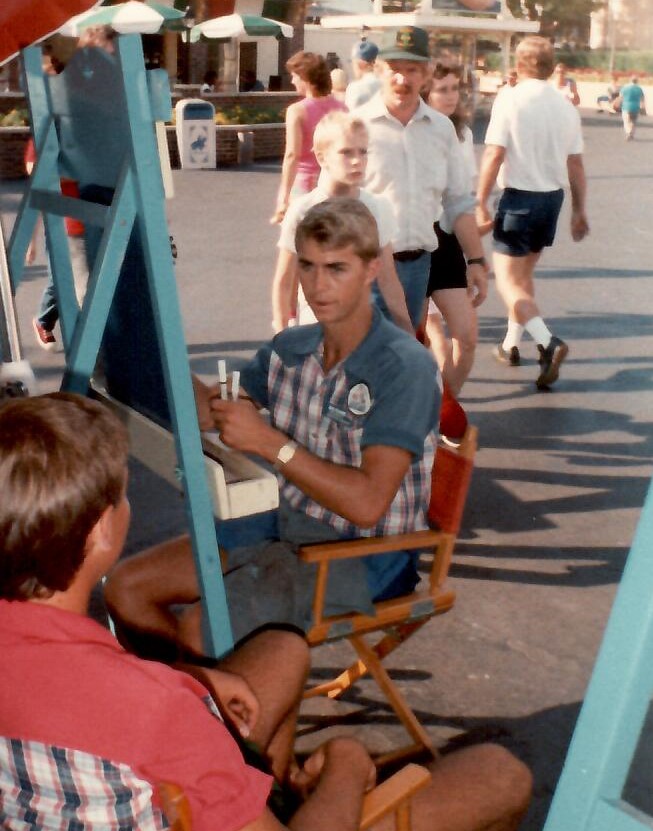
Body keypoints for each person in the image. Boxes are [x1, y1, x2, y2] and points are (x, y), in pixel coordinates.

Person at [0, 394, 532, 831]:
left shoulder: (130, 688)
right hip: (176, 786)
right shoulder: (157, 710)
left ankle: (254, 792)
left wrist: (188, 677)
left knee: (282, 647)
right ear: (99, 532)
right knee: (502, 775)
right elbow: (138, 715)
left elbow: (78, 696)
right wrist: (346, 766)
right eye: (121, 495)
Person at [106, 198, 440, 649]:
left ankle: (220, 693)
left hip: (362, 553)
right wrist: (153, 334)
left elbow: (366, 506)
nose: (318, 286)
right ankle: (211, 692)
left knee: (201, 632)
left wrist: (269, 443)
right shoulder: (291, 347)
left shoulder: (405, 367)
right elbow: (209, 412)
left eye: (336, 268)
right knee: (125, 589)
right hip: (282, 524)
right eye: (307, 266)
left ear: (371, 268)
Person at [355, 27, 488, 330]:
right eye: (394, 69)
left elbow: (458, 201)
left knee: (402, 355)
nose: (402, 79)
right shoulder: (356, 125)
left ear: (427, 73)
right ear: (378, 70)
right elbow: (333, 202)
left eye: (412, 69)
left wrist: (477, 261)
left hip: (418, 267)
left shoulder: (441, 130)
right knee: (363, 360)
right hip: (366, 267)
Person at [476, 36, 589, 389]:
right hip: (551, 200)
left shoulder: (510, 100)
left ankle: (547, 340)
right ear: (550, 63)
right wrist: (579, 210)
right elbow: (576, 163)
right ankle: (511, 345)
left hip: (519, 198)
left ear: (519, 64)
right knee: (524, 279)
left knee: (508, 283)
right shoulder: (566, 105)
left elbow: (494, 153)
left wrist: (479, 200)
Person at [271, 111, 412, 334]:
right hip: (316, 330)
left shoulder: (377, 207)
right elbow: (284, 282)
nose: (357, 161)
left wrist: (407, 333)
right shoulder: (303, 210)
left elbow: (388, 279)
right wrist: (281, 335)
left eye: (363, 152)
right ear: (322, 157)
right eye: (346, 153)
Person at [421, 62, 483, 398]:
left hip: (447, 240)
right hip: (412, 240)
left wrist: (477, 259)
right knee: (414, 339)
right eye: (442, 89)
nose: (451, 96)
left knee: (468, 337)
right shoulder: (413, 132)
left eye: (455, 88)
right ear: (426, 93)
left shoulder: (462, 133)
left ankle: (446, 407)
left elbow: (463, 197)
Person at [270, 52, 346, 224]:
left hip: (306, 183)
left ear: (305, 78)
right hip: (334, 181)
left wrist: (283, 197)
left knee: (300, 241)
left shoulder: (297, 110)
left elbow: (292, 155)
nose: (292, 81)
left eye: (294, 76)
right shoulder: (342, 107)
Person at [345, 39, 381, 110]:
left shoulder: (355, 87)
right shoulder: (386, 84)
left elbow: (350, 115)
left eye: (353, 64)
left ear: (360, 64)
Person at [618, 76, 646, 140]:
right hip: (636, 107)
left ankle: (628, 132)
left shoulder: (625, 88)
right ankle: (631, 132)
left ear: (630, 80)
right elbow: (642, 99)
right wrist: (643, 107)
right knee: (633, 121)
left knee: (626, 121)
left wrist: (618, 105)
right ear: (637, 81)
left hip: (626, 106)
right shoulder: (639, 89)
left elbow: (620, 97)